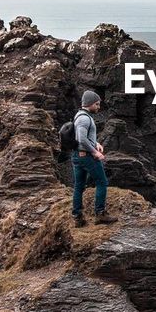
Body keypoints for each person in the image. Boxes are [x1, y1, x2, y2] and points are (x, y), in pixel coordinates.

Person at [63, 90, 108, 224]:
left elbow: (83, 137)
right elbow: (81, 139)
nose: (99, 107)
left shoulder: (79, 115)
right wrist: (95, 152)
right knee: (102, 182)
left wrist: (96, 143)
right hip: (86, 156)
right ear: (90, 104)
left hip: (78, 155)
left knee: (79, 186)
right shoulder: (84, 118)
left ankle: (77, 217)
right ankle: (100, 214)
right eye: (97, 104)